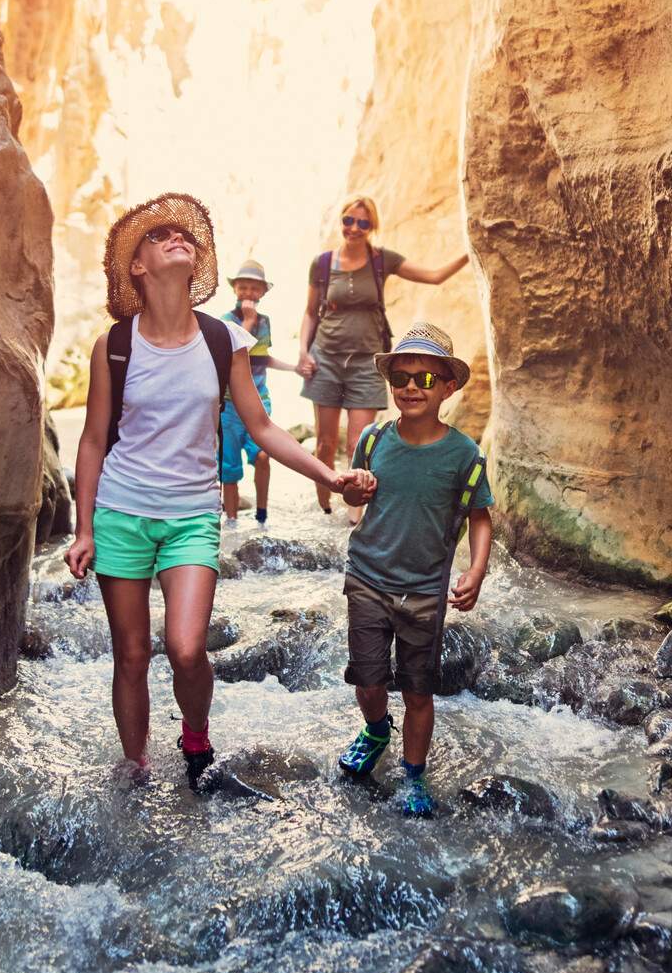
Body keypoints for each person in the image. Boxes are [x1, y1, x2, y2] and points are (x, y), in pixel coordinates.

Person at [66, 193, 369, 789]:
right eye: (160, 237)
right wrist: (82, 528)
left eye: (185, 235)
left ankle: (195, 736)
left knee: (184, 647)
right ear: (138, 266)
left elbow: (260, 426)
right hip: (121, 511)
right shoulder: (115, 344)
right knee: (130, 656)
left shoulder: (223, 339)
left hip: (191, 516)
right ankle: (136, 769)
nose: (177, 238)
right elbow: (93, 439)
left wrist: (326, 475)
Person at [333, 323, 494, 818]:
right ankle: (377, 728)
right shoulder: (374, 437)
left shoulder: (464, 454)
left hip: (424, 591)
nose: (410, 387)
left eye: (425, 380)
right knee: (368, 680)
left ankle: (415, 776)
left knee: (419, 690)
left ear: (448, 387)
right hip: (366, 577)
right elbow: (354, 499)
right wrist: (352, 492)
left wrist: (477, 570)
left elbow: (480, 516)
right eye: (401, 377)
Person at [297, 194, 470, 524]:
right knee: (324, 443)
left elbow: (434, 276)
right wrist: (303, 352)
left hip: (366, 362)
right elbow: (309, 313)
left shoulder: (381, 260)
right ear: (342, 221)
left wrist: (472, 248)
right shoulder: (321, 264)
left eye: (363, 223)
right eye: (349, 220)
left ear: (372, 226)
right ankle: (324, 510)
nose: (354, 228)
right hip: (326, 360)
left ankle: (353, 520)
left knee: (358, 445)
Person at [218, 258, 296, 530]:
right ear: (235, 290)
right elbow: (229, 353)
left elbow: (261, 358)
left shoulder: (265, 323)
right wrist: (247, 321)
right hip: (228, 406)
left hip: (259, 401)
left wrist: (294, 368)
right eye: (243, 288)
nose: (248, 293)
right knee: (229, 467)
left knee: (263, 456)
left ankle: (262, 517)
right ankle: (231, 522)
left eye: (254, 288)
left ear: (262, 293)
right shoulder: (226, 321)